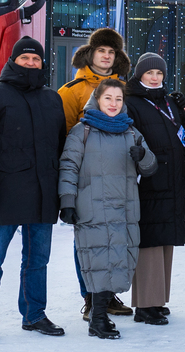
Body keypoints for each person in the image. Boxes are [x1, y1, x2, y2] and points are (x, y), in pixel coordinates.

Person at [0, 38, 69, 344]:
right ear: (14, 61)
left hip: (43, 192)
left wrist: (62, 190)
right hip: (5, 192)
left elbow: (61, 146)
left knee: (37, 260)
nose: (31, 63)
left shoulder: (52, 99)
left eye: (36, 59)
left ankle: (34, 314)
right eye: (25, 58)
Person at [58, 78, 157, 338]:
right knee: (98, 261)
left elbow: (150, 167)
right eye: (108, 98)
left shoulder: (131, 132)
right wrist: (67, 200)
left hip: (124, 207)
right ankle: (98, 319)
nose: (113, 104)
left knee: (117, 261)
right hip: (93, 208)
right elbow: (68, 166)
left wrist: (143, 157)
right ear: (97, 100)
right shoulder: (83, 131)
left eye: (118, 99)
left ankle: (100, 315)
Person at [57, 27, 135, 317]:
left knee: (115, 240)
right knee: (88, 242)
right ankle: (90, 297)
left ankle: (107, 296)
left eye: (111, 51)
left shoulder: (125, 89)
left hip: (117, 179)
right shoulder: (71, 92)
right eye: (101, 50)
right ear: (90, 54)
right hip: (87, 181)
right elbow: (63, 137)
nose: (106, 56)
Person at [122, 53, 185, 325]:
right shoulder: (132, 103)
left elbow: (183, 135)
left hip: (172, 181)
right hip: (149, 181)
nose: (155, 77)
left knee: (165, 241)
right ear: (139, 75)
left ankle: (158, 300)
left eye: (159, 73)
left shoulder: (167, 101)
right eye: (150, 73)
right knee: (149, 242)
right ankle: (144, 305)